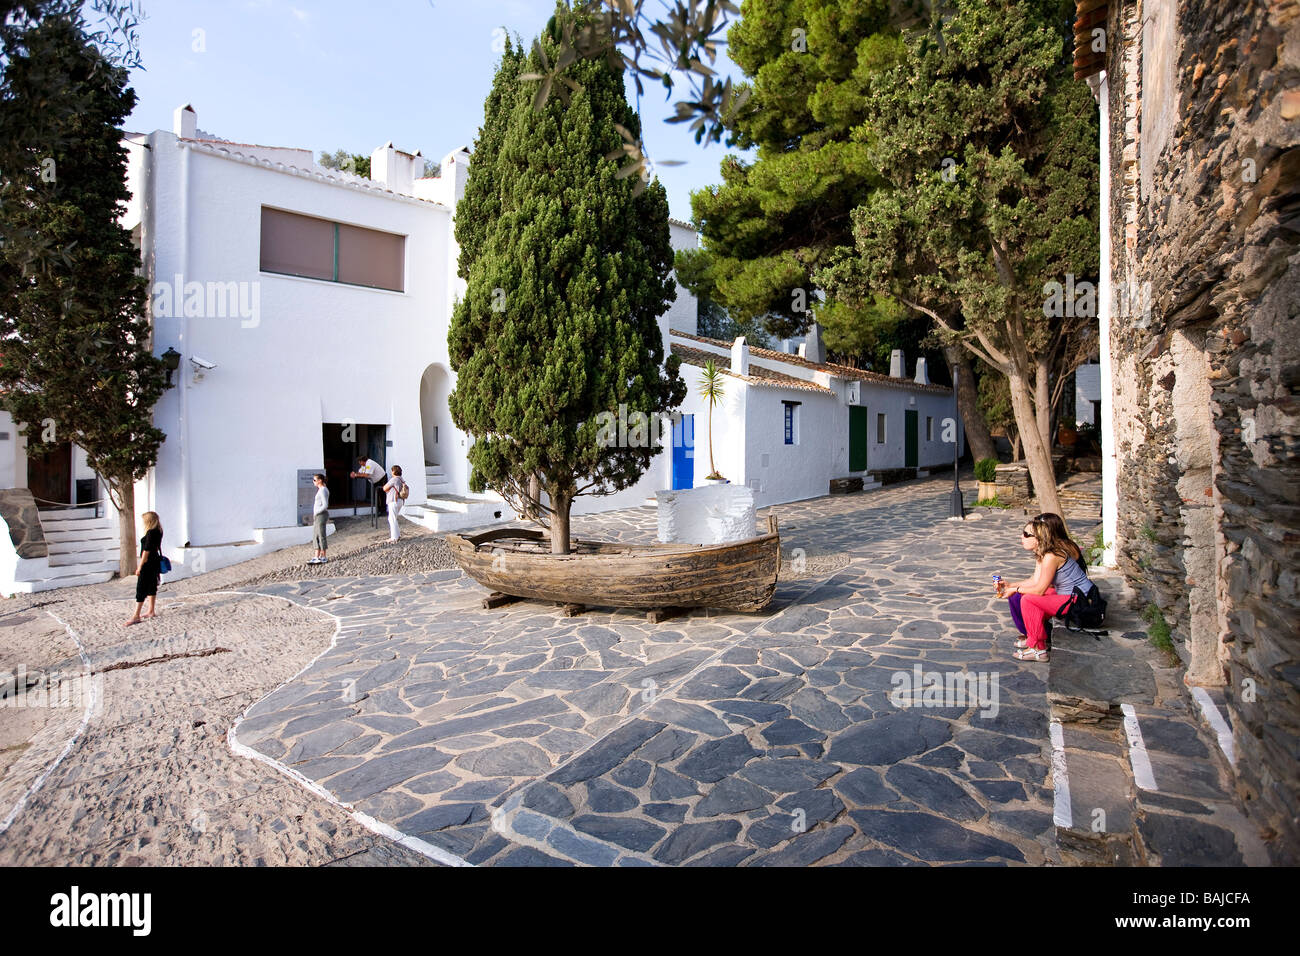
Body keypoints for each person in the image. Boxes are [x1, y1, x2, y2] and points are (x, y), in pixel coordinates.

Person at [996, 512, 1095, 662]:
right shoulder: (1043, 553)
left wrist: (1014, 589)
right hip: (1070, 596)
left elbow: (1039, 589)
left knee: (1029, 600)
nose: (1021, 537)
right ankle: (1034, 638)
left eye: (1026, 534)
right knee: (1021, 596)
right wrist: (1011, 586)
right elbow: (1035, 580)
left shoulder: (1052, 556)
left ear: (1038, 538)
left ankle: (1038, 649)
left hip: (1082, 601)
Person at [124, 511, 163, 627]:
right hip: (155, 561)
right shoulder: (159, 531)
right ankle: (151, 610)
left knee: (141, 587)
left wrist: (140, 566)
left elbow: (146, 551)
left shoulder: (151, 533)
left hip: (148, 562)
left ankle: (136, 615)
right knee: (152, 585)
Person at [350, 455, 386, 521]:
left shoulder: (370, 463)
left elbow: (366, 474)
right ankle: (379, 510)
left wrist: (356, 475)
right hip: (375, 481)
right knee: (376, 496)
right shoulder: (364, 465)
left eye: (359, 462)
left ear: (362, 461)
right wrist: (355, 473)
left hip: (381, 479)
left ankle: (383, 511)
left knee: (381, 495)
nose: (359, 464)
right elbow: (360, 472)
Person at [308, 473, 329, 564]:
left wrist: (317, 512)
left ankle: (323, 556)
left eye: (315, 480)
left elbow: (325, 505)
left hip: (321, 515)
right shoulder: (321, 490)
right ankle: (317, 555)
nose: (313, 482)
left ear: (320, 480)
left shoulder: (323, 490)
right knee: (316, 535)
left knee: (321, 535)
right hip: (318, 515)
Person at [382, 465, 406, 542]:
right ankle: (397, 535)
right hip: (401, 501)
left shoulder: (394, 479)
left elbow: (385, 488)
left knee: (392, 519)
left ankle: (394, 537)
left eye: (392, 471)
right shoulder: (402, 480)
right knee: (393, 518)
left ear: (393, 471)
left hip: (394, 500)